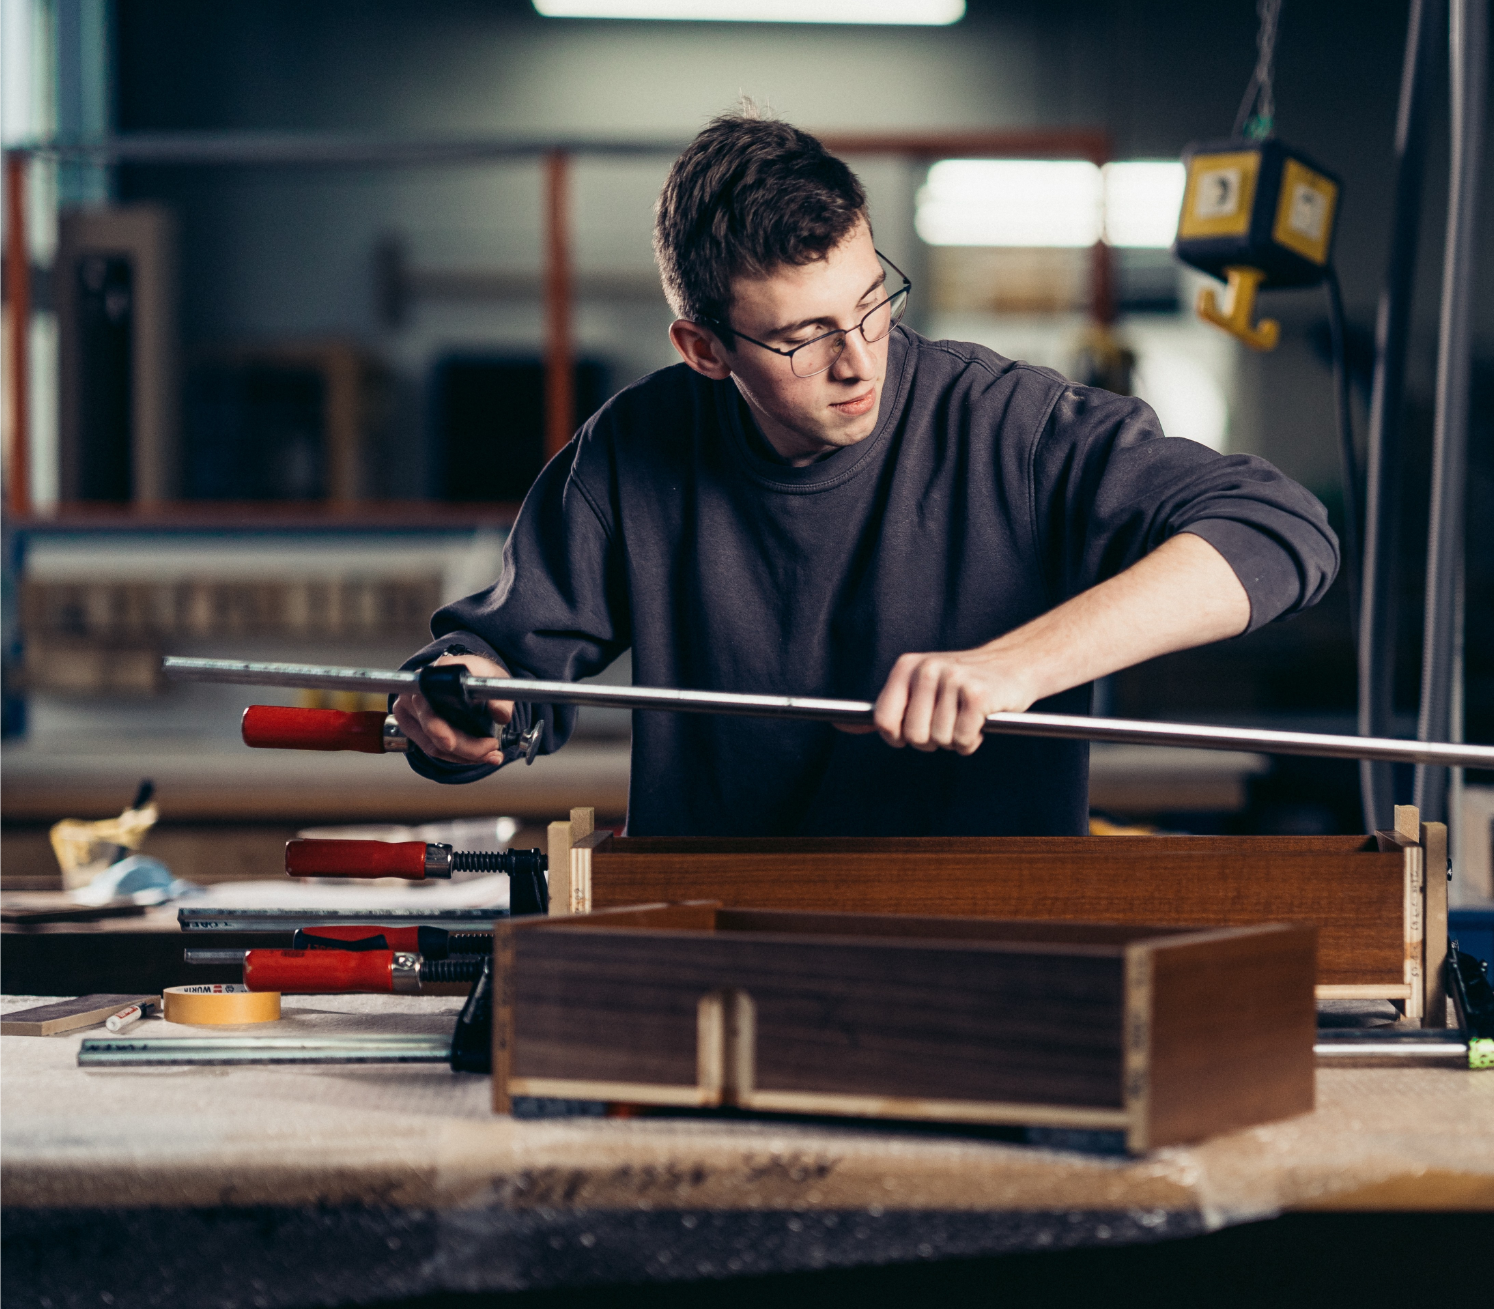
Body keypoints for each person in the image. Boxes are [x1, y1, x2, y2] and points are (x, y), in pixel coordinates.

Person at [394, 112, 1337, 836]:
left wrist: (1015, 667)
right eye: (805, 337)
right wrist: (466, 700)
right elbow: (500, 677)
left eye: (871, 302)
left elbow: (1278, 527)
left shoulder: (1007, 424)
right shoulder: (634, 451)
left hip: (992, 948)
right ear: (705, 349)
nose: (860, 360)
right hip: (720, 943)